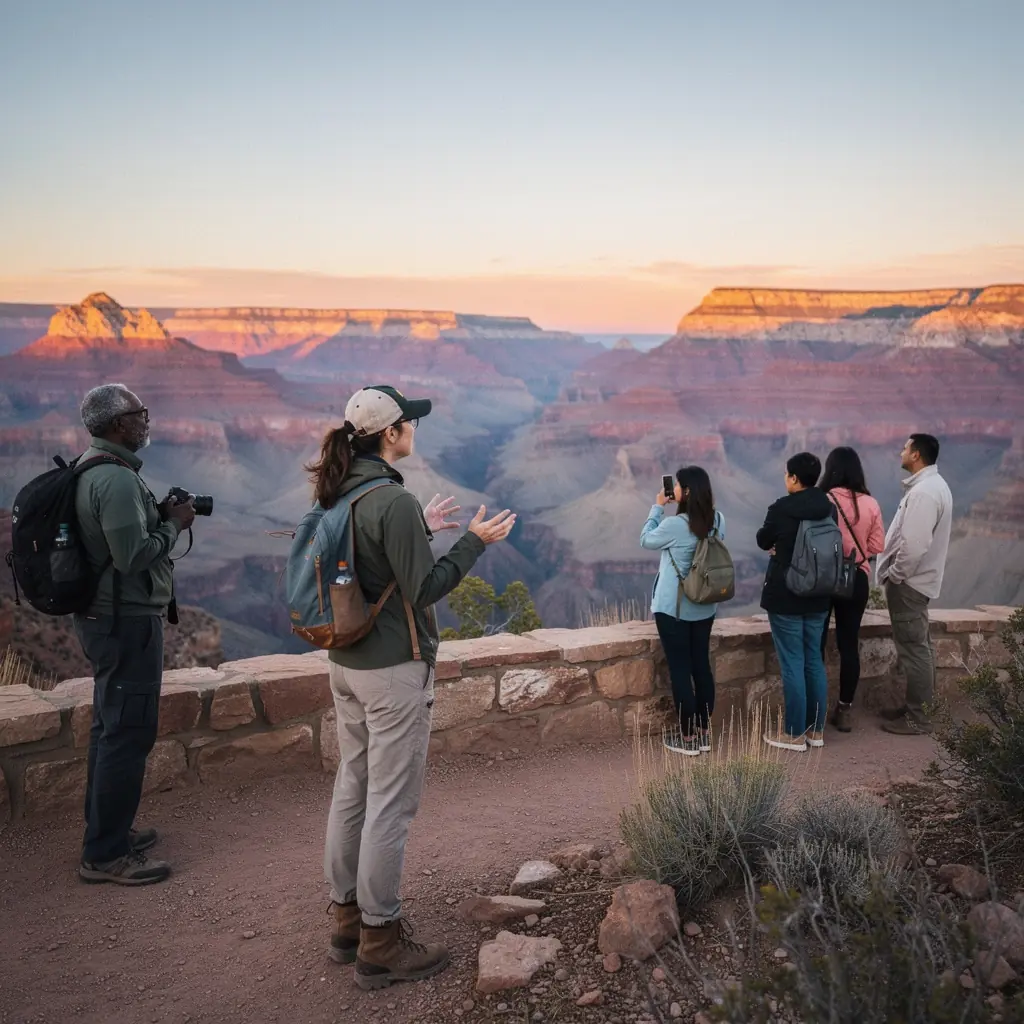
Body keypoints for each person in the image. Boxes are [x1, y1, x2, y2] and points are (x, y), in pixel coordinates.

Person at [316, 384, 516, 990]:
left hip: (344, 663)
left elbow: (374, 563)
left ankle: (345, 920)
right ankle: (380, 941)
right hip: (392, 672)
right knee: (391, 804)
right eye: (410, 423)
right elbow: (423, 589)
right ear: (390, 434)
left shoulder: (340, 489)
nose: (415, 431)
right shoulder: (390, 500)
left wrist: (419, 527)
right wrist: (473, 544)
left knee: (354, 784)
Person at [74, 383, 195, 886]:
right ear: (119, 424)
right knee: (128, 733)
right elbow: (133, 557)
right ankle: (105, 855)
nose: (147, 420)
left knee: (111, 728)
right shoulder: (117, 481)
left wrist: (160, 519)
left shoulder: (94, 467)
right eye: (140, 414)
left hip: (106, 620)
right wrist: (174, 525)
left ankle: (109, 832)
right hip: (124, 624)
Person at [641, 466, 724, 756]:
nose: (672, 489)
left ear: (685, 492)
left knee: (680, 670)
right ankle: (703, 733)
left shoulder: (676, 526)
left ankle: (686, 739)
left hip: (673, 609)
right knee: (701, 667)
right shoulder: (717, 520)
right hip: (704, 605)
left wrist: (658, 507)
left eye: (677, 486)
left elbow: (646, 539)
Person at [756, 452, 836, 752]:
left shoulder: (782, 508)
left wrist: (780, 548)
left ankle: (793, 733)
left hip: (787, 594)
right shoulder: (828, 508)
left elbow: (763, 539)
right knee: (813, 660)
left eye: (786, 474)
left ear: (793, 478)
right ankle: (815, 731)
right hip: (819, 594)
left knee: (792, 664)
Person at [876, 433, 953, 735]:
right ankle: (916, 708)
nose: (900, 452)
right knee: (920, 646)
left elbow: (914, 545)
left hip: (910, 583)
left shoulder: (924, 493)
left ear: (917, 454)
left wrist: (896, 575)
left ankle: (919, 718)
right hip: (918, 582)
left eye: (905, 448)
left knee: (914, 649)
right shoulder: (935, 486)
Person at [818, 447, 885, 732]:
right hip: (856, 577)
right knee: (849, 645)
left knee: (816, 644)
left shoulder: (822, 500)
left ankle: (814, 710)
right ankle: (844, 710)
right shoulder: (870, 503)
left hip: (822, 579)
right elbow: (877, 547)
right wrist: (855, 555)